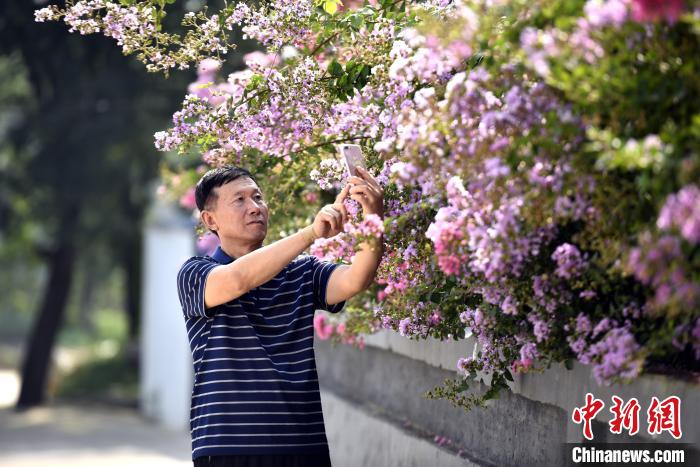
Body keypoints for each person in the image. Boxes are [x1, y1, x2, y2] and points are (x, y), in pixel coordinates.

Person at [176, 165, 384, 467]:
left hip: (303, 445)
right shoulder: (195, 273)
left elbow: (356, 279)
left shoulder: (303, 271)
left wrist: (373, 217)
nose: (254, 207)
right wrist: (312, 233)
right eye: (240, 200)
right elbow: (236, 281)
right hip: (229, 447)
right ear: (210, 220)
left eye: (258, 197)